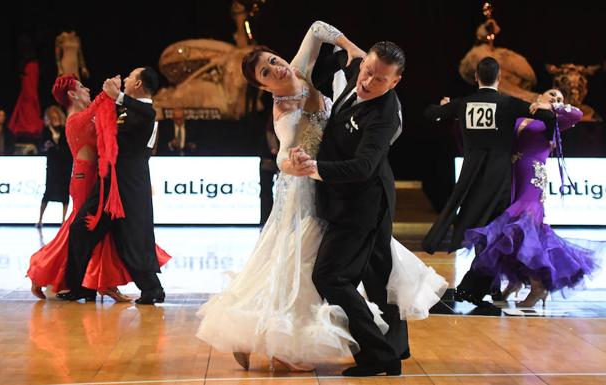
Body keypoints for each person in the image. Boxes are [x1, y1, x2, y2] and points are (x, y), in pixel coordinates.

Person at [198, 21, 445, 375]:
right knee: (298, 265)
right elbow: (284, 153)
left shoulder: (306, 73)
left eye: (272, 59)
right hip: (307, 190)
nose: (275, 67)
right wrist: (294, 166)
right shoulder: (283, 109)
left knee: (368, 268)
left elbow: (316, 29)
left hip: (344, 185)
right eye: (266, 71)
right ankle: (276, 339)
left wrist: (354, 48)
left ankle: (386, 350)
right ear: (263, 86)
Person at [292, 40, 416, 377]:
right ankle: (395, 349)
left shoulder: (384, 115)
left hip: (363, 202)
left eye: (379, 79)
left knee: (330, 276)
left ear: (395, 82)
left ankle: (379, 355)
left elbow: (363, 167)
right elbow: (319, 65)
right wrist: (342, 50)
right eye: (367, 70)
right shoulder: (356, 70)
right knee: (379, 275)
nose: (367, 81)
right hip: (352, 195)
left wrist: (314, 168)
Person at [422, 57, 557, 306]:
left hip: (471, 175)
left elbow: (430, 113)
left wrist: (446, 107)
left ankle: (489, 286)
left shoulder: (463, 104)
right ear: (500, 77)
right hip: (499, 178)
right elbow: (549, 118)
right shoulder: (508, 104)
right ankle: (483, 286)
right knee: (492, 231)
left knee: (479, 230)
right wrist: (549, 136)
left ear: (476, 77)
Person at [28, 75, 170, 301]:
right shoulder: (75, 119)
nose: (87, 90)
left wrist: (114, 97)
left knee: (94, 232)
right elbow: (100, 114)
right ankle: (46, 272)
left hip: (100, 178)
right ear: (72, 95)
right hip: (86, 178)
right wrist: (109, 93)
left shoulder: (96, 115)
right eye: (82, 87)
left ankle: (93, 283)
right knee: (79, 229)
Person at [464, 89, 601, 306]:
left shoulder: (555, 119)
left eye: (560, 99)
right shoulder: (523, 114)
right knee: (512, 230)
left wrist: (553, 107)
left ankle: (538, 285)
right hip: (511, 176)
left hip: (532, 177)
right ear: (539, 95)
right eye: (552, 95)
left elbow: (576, 114)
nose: (556, 99)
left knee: (523, 228)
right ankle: (516, 281)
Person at [36, 105, 72, 227]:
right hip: (53, 163)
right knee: (48, 190)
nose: (54, 118)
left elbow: (69, 145)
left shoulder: (65, 128)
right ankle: (40, 219)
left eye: (56, 115)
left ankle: (63, 220)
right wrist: (46, 146)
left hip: (65, 163)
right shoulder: (46, 130)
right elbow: (40, 146)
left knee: (65, 191)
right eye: (52, 116)